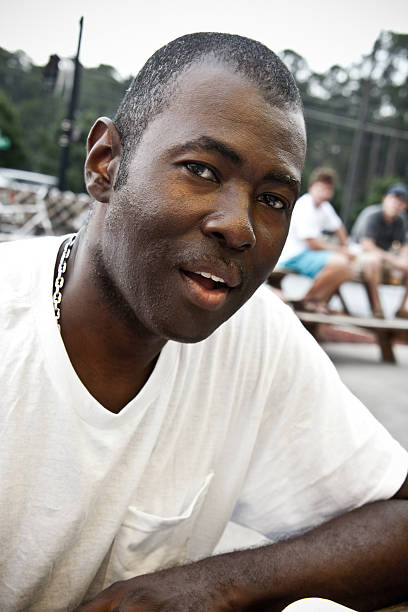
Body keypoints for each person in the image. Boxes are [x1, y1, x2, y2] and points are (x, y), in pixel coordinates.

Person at [0, 33, 407, 612]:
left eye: (272, 200)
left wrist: (214, 587)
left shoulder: (256, 338)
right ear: (104, 165)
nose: (239, 227)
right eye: (202, 170)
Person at [278, 168, 355, 313]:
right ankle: (307, 300)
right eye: (320, 188)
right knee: (341, 263)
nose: (324, 193)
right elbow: (313, 244)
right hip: (293, 254)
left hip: (307, 254)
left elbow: (339, 227)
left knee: (348, 269)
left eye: (327, 190)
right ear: (311, 187)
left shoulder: (324, 207)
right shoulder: (305, 205)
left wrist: (346, 246)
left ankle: (316, 302)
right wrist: (342, 250)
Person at [353, 184, 408, 318]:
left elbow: (403, 246)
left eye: (400, 201)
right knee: (374, 261)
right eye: (393, 199)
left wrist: (403, 260)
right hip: (358, 256)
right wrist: (396, 261)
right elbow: (367, 246)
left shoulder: (400, 220)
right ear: (385, 199)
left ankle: (401, 308)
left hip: (382, 258)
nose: (396, 204)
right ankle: (377, 308)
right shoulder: (372, 214)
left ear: (404, 206)